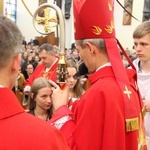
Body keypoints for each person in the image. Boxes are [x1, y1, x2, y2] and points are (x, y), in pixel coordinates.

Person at [48, 0, 147, 149]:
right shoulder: (129, 84)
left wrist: (61, 109)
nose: (81, 57)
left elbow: (77, 146)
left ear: (90, 48)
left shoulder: (98, 93)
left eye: (80, 50)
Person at [0, 15, 69, 150]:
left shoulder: (60, 69)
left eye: (44, 58)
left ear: (52, 55)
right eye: (41, 58)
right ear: (16, 62)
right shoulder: (46, 136)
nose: (42, 61)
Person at [132, 21, 150, 149]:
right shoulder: (129, 70)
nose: (138, 49)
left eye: (143, 44)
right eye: (136, 44)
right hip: (135, 136)